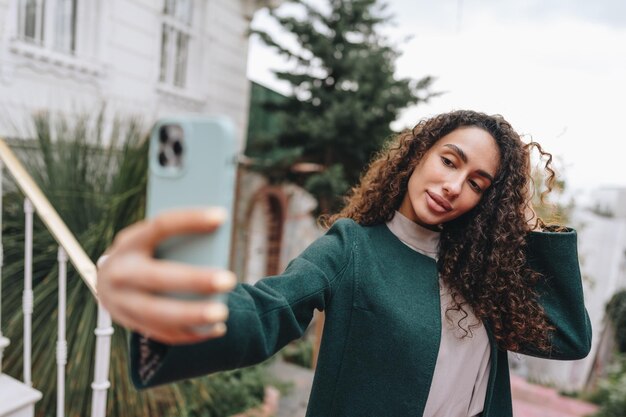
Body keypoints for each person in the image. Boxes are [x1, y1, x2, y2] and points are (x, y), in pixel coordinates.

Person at [97, 110, 592, 417]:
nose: (453, 187)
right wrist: (168, 310)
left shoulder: (481, 273)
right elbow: (272, 307)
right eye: (449, 160)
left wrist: (526, 227)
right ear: (419, 155)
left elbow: (567, 338)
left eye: (478, 184)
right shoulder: (353, 248)